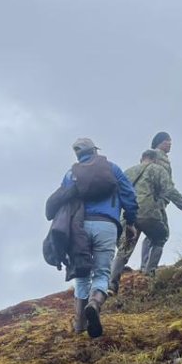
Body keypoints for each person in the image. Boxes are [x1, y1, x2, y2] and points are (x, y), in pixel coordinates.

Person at [55, 138, 137, 338]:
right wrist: (130, 222)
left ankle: (80, 324)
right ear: (94, 151)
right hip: (107, 225)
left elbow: (62, 203)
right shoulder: (112, 169)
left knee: (82, 274)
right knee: (102, 273)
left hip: (79, 227)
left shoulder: (70, 174)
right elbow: (129, 195)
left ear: (78, 154)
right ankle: (94, 304)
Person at [109, 133, 182, 293]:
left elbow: (115, 194)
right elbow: (170, 190)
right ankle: (149, 274)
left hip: (127, 215)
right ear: (155, 158)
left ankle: (111, 285)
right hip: (149, 211)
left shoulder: (128, 172)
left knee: (124, 249)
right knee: (160, 236)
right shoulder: (157, 169)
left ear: (141, 158)